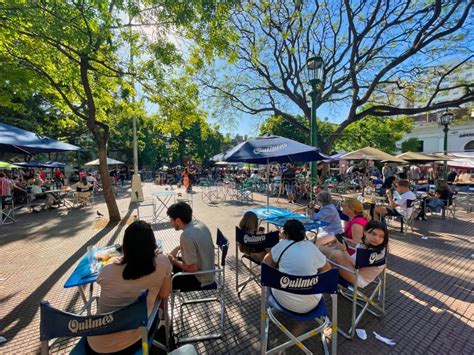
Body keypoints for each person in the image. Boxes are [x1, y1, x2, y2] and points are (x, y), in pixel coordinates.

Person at [86, 221, 172, 354]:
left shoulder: (107, 270)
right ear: (153, 244)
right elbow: (164, 295)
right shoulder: (163, 262)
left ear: (124, 247)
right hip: (134, 341)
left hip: (96, 345)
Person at [263, 219, 331, 314]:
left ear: (285, 233)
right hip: (311, 304)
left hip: (282, 300)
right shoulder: (311, 247)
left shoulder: (282, 245)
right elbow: (327, 269)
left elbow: (265, 264)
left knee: (271, 279)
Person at [319, 221, 388, 287]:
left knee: (336, 254)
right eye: (373, 234)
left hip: (358, 278)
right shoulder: (379, 248)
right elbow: (359, 247)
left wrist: (344, 250)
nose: (376, 238)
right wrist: (348, 241)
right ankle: (316, 248)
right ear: (365, 232)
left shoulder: (371, 252)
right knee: (335, 247)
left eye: (381, 236)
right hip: (360, 273)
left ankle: (315, 248)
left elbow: (355, 265)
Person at [167, 202, 215, 291]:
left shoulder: (186, 236)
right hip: (209, 269)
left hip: (201, 279)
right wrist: (178, 248)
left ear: (177, 220)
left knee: (164, 283)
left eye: (171, 219)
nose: (170, 222)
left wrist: (173, 260)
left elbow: (192, 269)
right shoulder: (199, 223)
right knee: (168, 264)